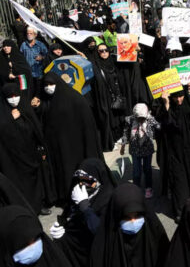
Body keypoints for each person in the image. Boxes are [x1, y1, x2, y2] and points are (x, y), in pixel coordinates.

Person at [34, 72, 102, 203]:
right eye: (46, 85)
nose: (48, 87)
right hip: (58, 147)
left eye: (51, 84)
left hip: (75, 146)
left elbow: (87, 123)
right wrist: (38, 107)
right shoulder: (47, 100)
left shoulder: (75, 99)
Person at [50, 158, 116, 267]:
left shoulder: (109, 200)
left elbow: (102, 233)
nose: (83, 183)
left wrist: (84, 206)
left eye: (88, 179)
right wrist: (60, 229)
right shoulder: (78, 193)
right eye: (79, 178)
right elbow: (70, 217)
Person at [90, 183, 169, 267]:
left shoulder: (155, 235)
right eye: (126, 217)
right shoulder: (105, 245)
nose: (133, 221)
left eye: (137, 215)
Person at [157, 82, 190, 218]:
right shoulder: (166, 108)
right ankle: (181, 212)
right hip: (175, 153)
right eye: (175, 97)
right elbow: (166, 126)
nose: (179, 100)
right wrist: (166, 104)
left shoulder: (189, 105)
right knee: (179, 183)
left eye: (181, 96)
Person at [0, 83, 48, 214]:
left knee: (35, 182)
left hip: (30, 153)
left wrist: (41, 148)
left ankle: (38, 206)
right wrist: (10, 119)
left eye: (16, 95)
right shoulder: (3, 113)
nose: (14, 99)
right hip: (13, 159)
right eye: (10, 97)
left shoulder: (24, 108)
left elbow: (36, 128)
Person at [0, 205, 72, 267]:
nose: (32, 247)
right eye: (23, 245)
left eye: (35, 239)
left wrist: (62, 241)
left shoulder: (52, 255)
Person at [118, 103, 160, 198]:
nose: (141, 120)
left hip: (147, 149)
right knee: (136, 170)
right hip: (135, 149)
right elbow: (126, 132)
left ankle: (148, 188)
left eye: (143, 118)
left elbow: (159, 127)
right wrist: (123, 145)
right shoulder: (129, 120)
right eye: (139, 118)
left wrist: (154, 117)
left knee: (147, 169)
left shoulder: (150, 119)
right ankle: (136, 189)